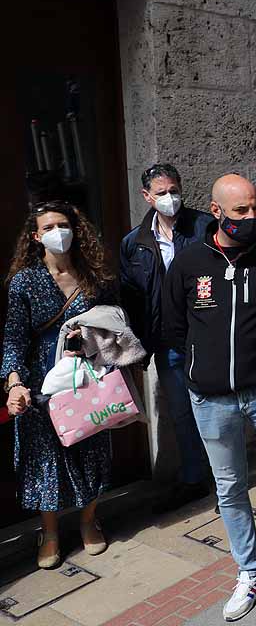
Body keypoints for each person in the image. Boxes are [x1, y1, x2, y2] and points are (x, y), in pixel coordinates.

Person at [161, 174, 256, 621]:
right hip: (211, 400)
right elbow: (172, 327)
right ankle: (251, 572)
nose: (250, 217)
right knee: (230, 489)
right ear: (217, 211)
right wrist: (198, 371)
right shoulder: (188, 264)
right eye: (240, 210)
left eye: (254, 208)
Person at [4, 201, 114, 568]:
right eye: (48, 227)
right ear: (35, 237)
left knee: (91, 447)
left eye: (63, 225)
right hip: (41, 382)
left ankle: (88, 521)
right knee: (45, 458)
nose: (57, 233)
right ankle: (49, 531)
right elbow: (14, 337)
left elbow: (116, 320)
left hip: (88, 375)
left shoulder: (93, 273)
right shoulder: (25, 281)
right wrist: (14, 383)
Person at [119, 163, 212, 513]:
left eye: (174, 190)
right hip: (168, 343)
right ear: (147, 197)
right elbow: (132, 298)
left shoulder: (204, 226)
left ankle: (226, 477)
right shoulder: (134, 243)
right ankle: (194, 479)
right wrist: (138, 348)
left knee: (218, 411)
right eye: (161, 193)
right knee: (182, 414)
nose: (170, 198)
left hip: (205, 338)